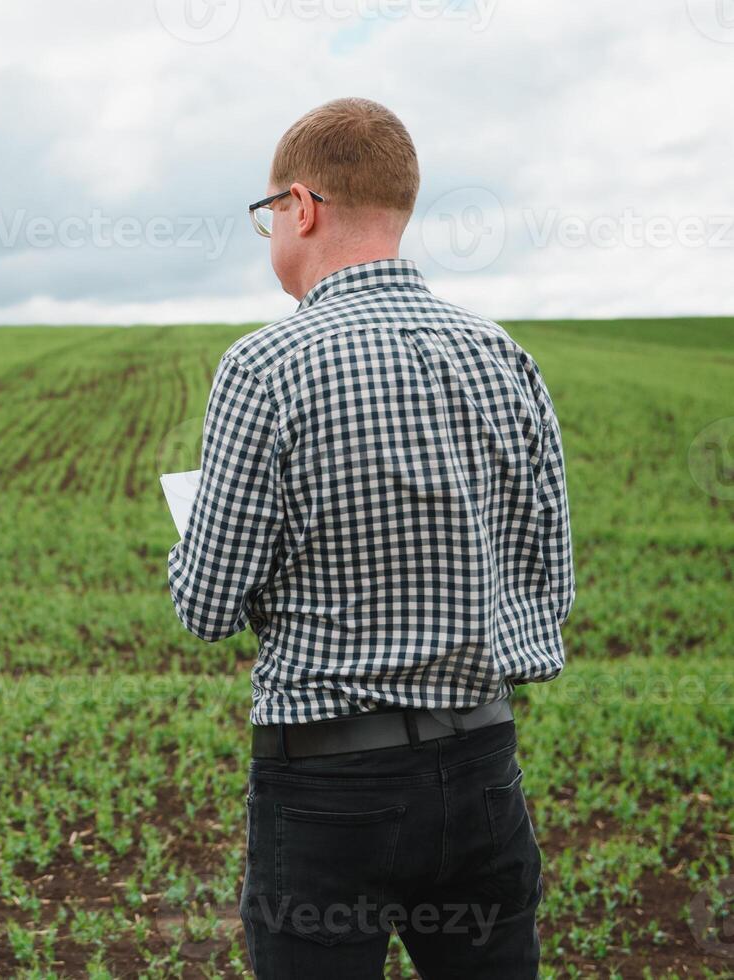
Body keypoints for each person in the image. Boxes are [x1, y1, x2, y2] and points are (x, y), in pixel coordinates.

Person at [166, 97, 574, 979]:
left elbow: (204, 605)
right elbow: (548, 584)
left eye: (268, 212)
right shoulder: (503, 356)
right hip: (482, 770)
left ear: (301, 207)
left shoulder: (264, 367)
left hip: (324, 794)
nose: (271, 228)